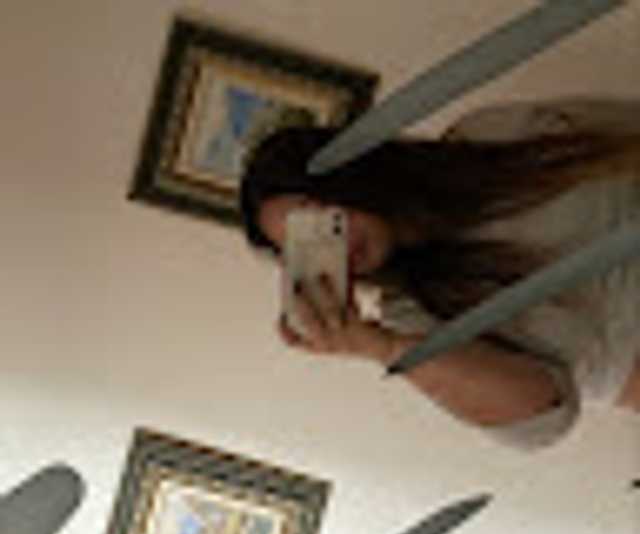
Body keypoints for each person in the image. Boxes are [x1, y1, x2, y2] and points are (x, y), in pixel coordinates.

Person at [239, 97, 640, 450]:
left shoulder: (484, 138)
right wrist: (381, 347)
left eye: (317, 222)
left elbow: (621, 133)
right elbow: (544, 417)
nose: (338, 247)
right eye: (305, 247)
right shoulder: (412, 321)